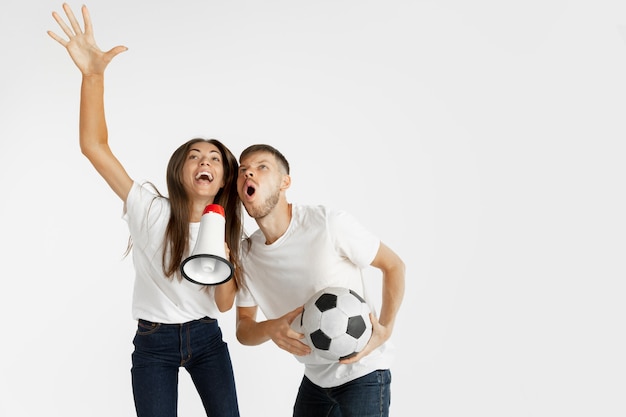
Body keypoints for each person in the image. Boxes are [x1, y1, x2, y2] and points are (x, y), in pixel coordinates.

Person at [48, 4, 242, 417]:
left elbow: (224, 305)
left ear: (224, 178)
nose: (204, 162)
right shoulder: (149, 209)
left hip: (207, 339)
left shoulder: (230, 232)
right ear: (180, 169)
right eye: (194, 156)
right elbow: (94, 147)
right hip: (154, 342)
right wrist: (93, 77)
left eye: (214, 158)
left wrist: (224, 255)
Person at [235, 144, 406, 417]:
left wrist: (385, 329)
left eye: (261, 167)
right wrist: (271, 329)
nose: (248, 174)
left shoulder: (328, 223)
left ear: (284, 182)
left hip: (363, 374)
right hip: (315, 380)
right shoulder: (247, 255)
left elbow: (394, 265)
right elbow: (244, 329)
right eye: (243, 170)